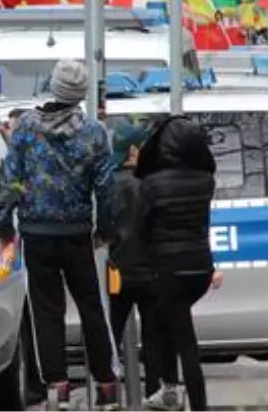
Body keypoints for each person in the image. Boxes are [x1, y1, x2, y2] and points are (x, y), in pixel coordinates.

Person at [0, 60, 119, 408]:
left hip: (36, 233)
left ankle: (58, 383)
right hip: (77, 232)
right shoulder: (94, 132)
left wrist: (6, 225)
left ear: (53, 87)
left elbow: (12, 181)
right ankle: (106, 383)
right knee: (90, 306)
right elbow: (105, 186)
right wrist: (104, 228)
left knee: (46, 309)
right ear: (80, 94)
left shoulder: (25, 128)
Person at [133, 116, 217, 412]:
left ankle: (194, 401)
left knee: (184, 340)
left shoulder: (152, 185)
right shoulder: (206, 181)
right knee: (164, 322)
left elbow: (140, 228)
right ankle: (169, 391)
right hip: (200, 267)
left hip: (169, 267)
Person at [107, 122, 164, 401]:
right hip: (150, 272)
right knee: (154, 338)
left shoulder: (106, 185)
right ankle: (154, 392)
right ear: (132, 151)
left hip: (115, 274)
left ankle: (108, 396)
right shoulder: (150, 185)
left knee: (110, 336)